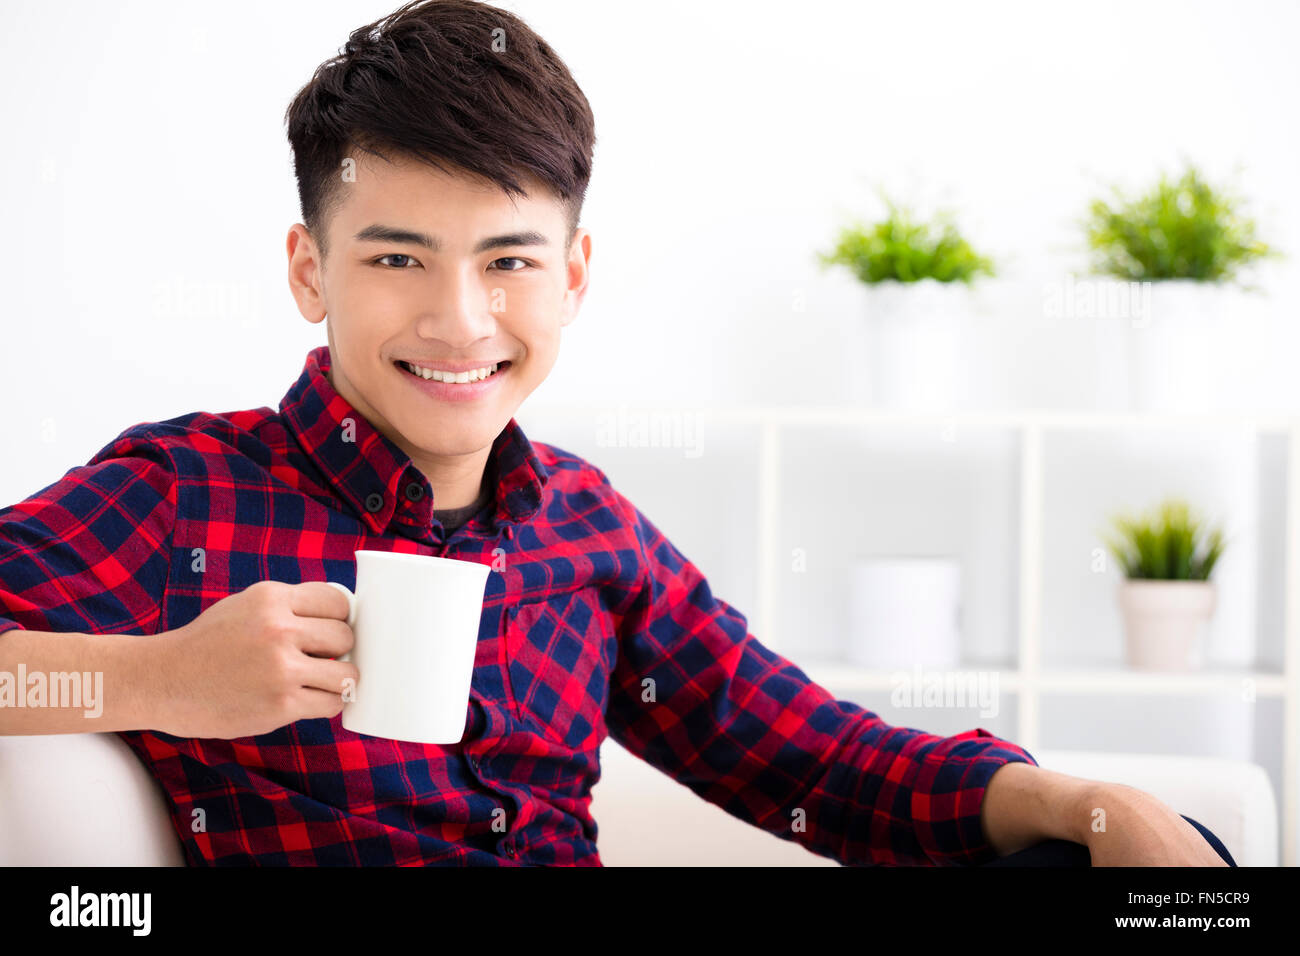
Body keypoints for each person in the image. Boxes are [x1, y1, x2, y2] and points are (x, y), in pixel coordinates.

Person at [0, 0, 1232, 867]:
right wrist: (167, 678)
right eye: (395, 257)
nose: (459, 318)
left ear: (573, 273)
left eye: (509, 260)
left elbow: (811, 760)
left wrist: (1080, 799)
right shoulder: (186, 494)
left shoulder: (586, 527)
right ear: (309, 270)